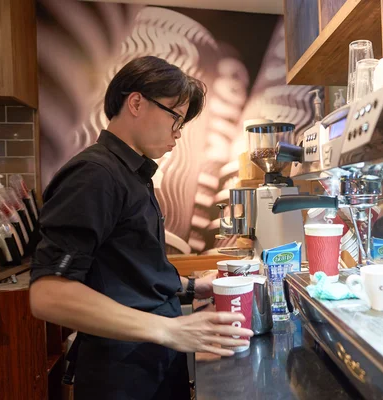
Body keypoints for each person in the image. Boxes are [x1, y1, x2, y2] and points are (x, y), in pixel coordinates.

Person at [29, 56, 253, 400]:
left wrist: (196, 287)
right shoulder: (95, 175)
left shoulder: (133, 175)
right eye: (176, 118)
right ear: (136, 102)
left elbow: (129, 273)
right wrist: (168, 329)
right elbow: (49, 294)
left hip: (153, 357)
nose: (178, 133)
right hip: (122, 371)